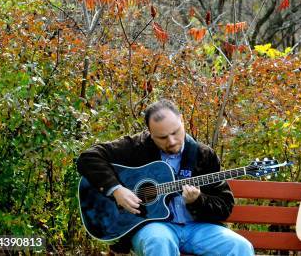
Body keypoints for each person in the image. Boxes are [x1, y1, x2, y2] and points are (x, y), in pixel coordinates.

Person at [77, 99, 254, 256]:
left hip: (197, 229)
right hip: (155, 229)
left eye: (175, 132)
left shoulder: (203, 155)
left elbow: (224, 206)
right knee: (160, 242)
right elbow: (88, 158)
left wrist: (198, 201)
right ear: (150, 133)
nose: (171, 141)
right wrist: (116, 190)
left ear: (182, 121)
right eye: (162, 137)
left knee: (240, 247)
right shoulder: (136, 147)